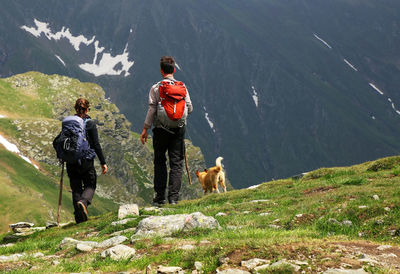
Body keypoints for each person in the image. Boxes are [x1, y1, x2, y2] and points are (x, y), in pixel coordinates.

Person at [140, 56, 193, 206]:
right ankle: (174, 199)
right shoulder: (182, 87)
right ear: (174, 70)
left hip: (160, 130)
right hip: (178, 130)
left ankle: (159, 198)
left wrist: (145, 129)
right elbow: (190, 107)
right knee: (176, 163)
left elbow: (152, 109)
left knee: (160, 162)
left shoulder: (156, 88)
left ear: (161, 71)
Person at [67, 98, 108, 223]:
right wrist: (103, 162)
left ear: (75, 108)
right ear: (87, 109)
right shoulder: (90, 123)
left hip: (71, 161)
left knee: (76, 188)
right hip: (85, 160)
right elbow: (96, 144)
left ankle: (79, 219)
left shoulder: (69, 123)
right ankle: (83, 202)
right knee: (90, 184)